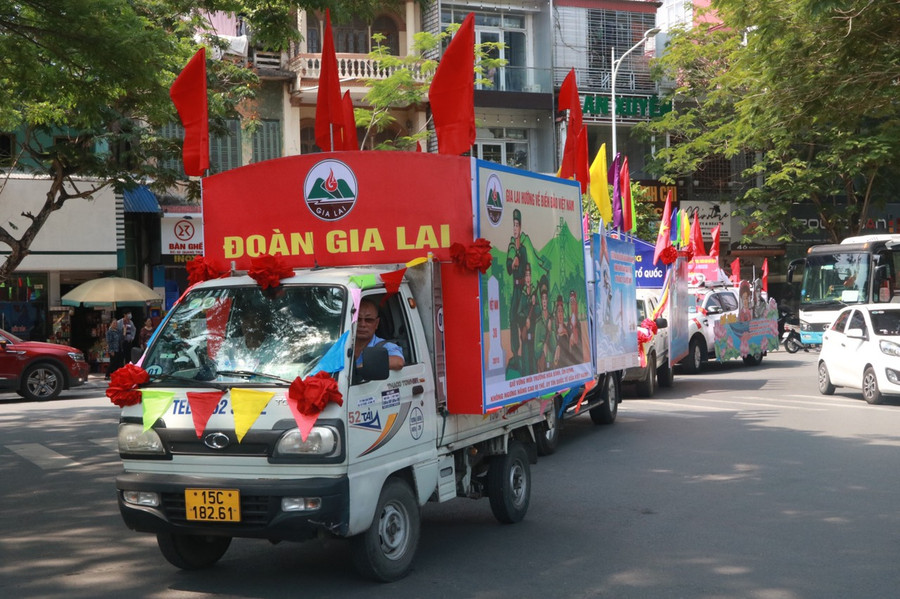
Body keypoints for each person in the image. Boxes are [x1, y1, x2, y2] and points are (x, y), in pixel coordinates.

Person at [354, 298, 404, 371]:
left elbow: (398, 362)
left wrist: (365, 365)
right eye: (358, 319)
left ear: (376, 323)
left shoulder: (383, 346)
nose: (362, 324)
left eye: (368, 320)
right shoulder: (342, 344)